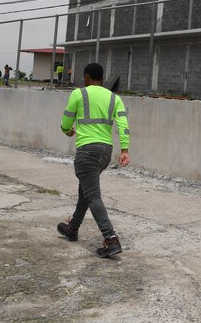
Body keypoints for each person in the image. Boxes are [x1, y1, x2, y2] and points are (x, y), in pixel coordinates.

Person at [58, 62, 130, 258]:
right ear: (102, 78)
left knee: (93, 195)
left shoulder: (78, 94)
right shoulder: (114, 98)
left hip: (87, 151)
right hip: (105, 152)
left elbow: (66, 122)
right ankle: (72, 228)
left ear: (86, 76)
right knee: (86, 192)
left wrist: (67, 130)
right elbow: (123, 123)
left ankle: (111, 239)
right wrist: (125, 149)